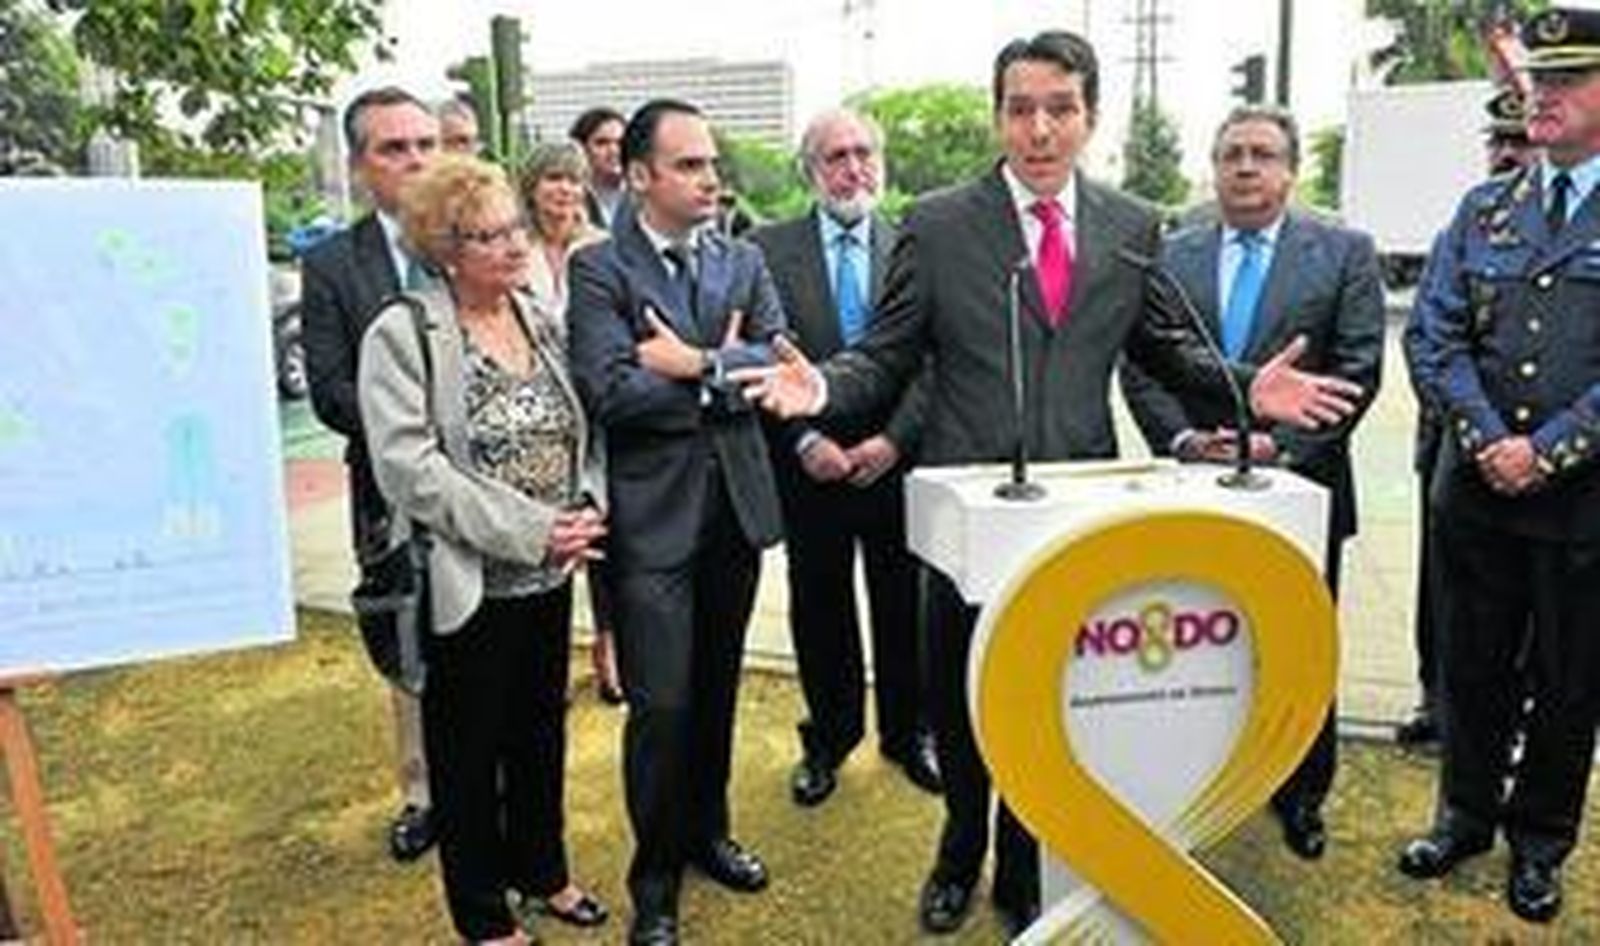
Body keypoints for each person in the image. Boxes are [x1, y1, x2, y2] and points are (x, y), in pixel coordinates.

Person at [732, 31, 1365, 937]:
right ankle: (959, 849)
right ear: (998, 116)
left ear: (1090, 117)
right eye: (1020, 108)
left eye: (1059, 108)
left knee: (1049, 694)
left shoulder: (1130, 222)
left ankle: (1026, 862)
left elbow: (1162, 346)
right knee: (959, 693)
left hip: (1079, 505)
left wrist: (1242, 382)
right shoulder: (941, 223)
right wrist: (825, 387)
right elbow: (889, 351)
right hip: (965, 506)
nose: (1038, 129)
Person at [1120, 105, 1385, 862]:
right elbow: (1140, 364)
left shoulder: (1343, 252)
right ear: (1213, 165)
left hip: (1299, 491)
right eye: (1232, 152)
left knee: (1295, 647)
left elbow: (1359, 371)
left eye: (1263, 154)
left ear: (1290, 170)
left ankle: (1301, 794)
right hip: (1191, 484)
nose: (1245, 167)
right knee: (1192, 641)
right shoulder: (1173, 252)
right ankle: (1192, 783)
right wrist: (1180, 439)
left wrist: (1282, 447)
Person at [359, 154, 610, 944]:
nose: (511, 246)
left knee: (541, 731)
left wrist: (588, 506)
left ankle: (543, 872)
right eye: (488, 235)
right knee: (466, 755)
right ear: (444, 248)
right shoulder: (405, 332)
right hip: (466, 583)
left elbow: (584, 425)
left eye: (514, 229)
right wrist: (530, 528)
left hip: (550, 576)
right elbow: (409, 470)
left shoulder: (538, 316)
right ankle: (482, 915)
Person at [566, 99, 788, 946]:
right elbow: (609, 387)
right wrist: (723, 374)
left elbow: (777, 357)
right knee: (661, 705)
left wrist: (694, 363)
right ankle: (653, 880)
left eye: (712, 165)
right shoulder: (600, 269)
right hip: (652, 525)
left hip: (733, 509)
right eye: (690, 165)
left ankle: (708, 833)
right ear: (639, 175)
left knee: (719, 688)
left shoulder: (741, 257)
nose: (710, 180)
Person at [1397, 7, 1600, 925]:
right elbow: (1435, 336)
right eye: (1537, 80)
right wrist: (1487, 440)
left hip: (1582, 503)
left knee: (1569, 677)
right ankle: (1465, 817)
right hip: (1475, 494)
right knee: (1470, 668)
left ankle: (1540, 842)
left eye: (1565, 82)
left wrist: (1549, 449)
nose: (1540, 94)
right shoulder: (1484, 208)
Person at [748, 107, 940, 807]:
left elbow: (933, 358)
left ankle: (908, 731)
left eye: (864, 152)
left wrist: (893, 440)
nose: (853, 167)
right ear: (811, 170)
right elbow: (758, 355)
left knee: (903, 602)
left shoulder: (917, 245)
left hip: (897, 458)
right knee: (820, 603)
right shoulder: (765, 250)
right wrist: (804, 441)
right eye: (836, 156)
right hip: (811, 467)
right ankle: (828, 737)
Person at [301, 86, 443, 863]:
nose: (417, 160)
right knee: (408, 638)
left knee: (489, 637)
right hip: (388, 496)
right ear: (360, 166)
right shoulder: (330, 265)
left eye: (427, 143)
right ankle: (423, 794)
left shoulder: (476, 240)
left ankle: (493, 782)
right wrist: (420, 425)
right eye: (395, 148)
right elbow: (328, 390)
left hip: (485, 489)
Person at [1397, 86, 1541, 749]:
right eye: (1498, 142)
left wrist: (1529, 444)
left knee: (1536, 616)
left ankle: (1514, 720)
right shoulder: (1468, 223)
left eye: (1520, 141)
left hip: (1548, 462)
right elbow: (1427, 335)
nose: (1507, 153)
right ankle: (1439, 701)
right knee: (1445, 599)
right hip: (1457, 451)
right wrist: (1475, 430)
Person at [516, 141, 625, 705]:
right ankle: (546, 657)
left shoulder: (603, 248)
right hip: (534, 412)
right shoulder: (514, 248)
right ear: (531, 185)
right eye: (552, 177)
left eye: (573, 179)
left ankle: (608, 649)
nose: (563, 188)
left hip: (597, 409)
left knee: (602, 530)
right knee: (545, 533)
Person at [569, 106, 628, 229]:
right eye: (602, 143)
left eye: (620, 143)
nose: (614, 151)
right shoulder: (569, 198)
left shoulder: (646, 197)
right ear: (582, 149)